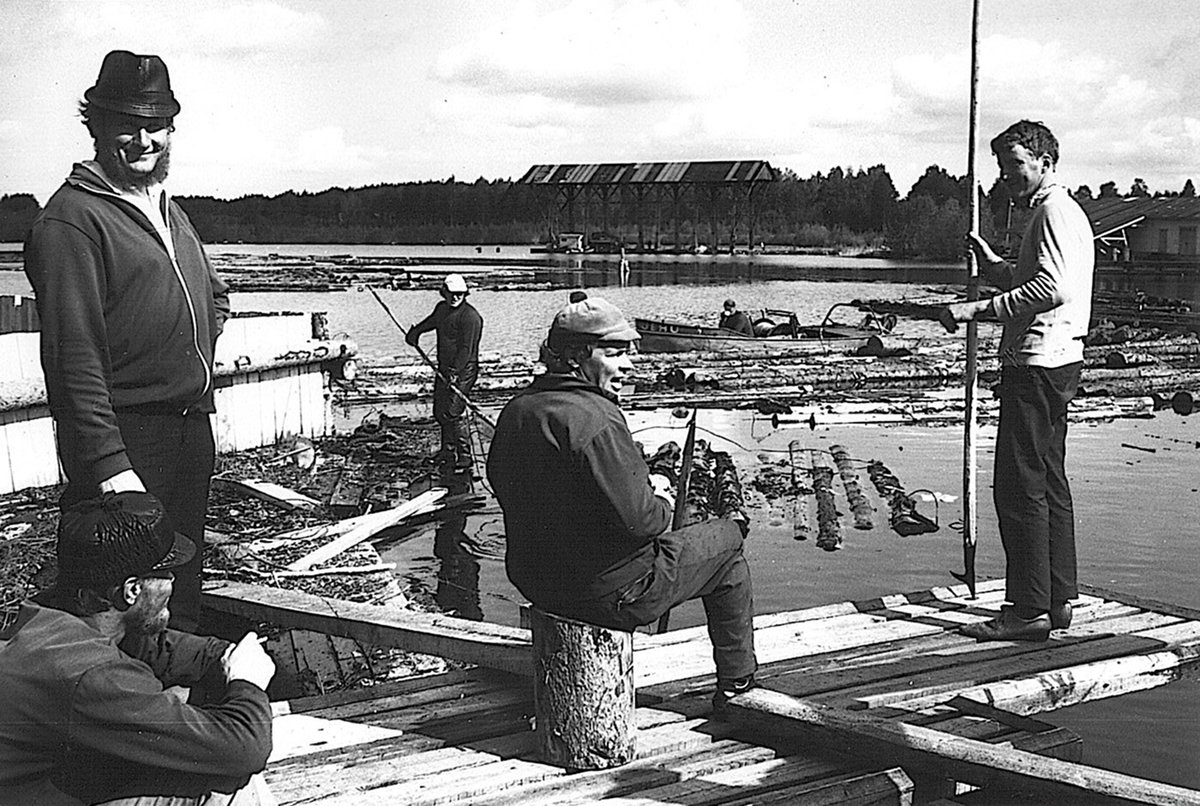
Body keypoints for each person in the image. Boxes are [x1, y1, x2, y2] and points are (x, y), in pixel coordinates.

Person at [23, 50, 229, 632]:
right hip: (129, 438)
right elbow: (73, 357)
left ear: (172, 128)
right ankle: (109, 714)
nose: (144, 139)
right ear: (96, 128)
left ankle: (172, 713)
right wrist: (110, 464)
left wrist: (183, 358)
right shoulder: (72, 220)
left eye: (156, 124)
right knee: (114, 606)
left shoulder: (168, 208)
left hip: (189, 428)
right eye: (127, 125)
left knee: (176, 590)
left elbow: (213, 296)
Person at [487, 293, 757, 712]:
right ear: (577, 356)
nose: (629, 363)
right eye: (614, 352)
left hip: (537, 583)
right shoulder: (597, 417)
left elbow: (508, 486)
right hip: (608, 594)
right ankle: (738, 687)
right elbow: (645, 522)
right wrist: (662, 494)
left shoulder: (517, 410)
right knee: (728, 543)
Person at [0, 492, 276, 805]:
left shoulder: (56, 618)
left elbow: (159, 647)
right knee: (227, 787)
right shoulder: (91, 673)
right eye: (166, 573)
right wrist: (247, 684)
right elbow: (244, 750)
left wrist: (227, 657)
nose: (173, 580)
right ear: (132, 589)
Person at [940, 120, 1095, 642]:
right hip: (1059, 362)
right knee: (1049, 477)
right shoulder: (1063, 213)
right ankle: (1058, 598)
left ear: (1046, 163)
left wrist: (977, 310)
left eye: (1015, 166)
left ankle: (1027, 610)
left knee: (1018, 484)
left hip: (1035, 365)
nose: (1006, 176)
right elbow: (1038, 279)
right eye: (1002, 167)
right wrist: (996, 266)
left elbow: (1051, 289)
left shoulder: (1052, 212)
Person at [406, 273, 484, 470]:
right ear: (444, 293)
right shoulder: (442, 309)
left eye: (459, 294)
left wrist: (455, 372)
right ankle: (447, 453)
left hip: (464, 371)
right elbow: (430, 322)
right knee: (440, 411)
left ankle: (465, 458)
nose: (455, 297)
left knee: (452, 412)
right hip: (444, 369)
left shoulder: (471, 317)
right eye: (451, 293)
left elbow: (466, 349)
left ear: (465, 294)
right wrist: (415, 333)